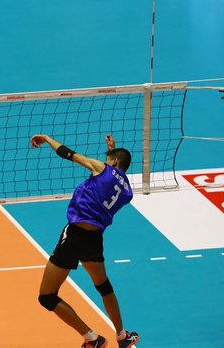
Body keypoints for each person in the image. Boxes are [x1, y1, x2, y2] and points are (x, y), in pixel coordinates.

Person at [29, 133, 140, 348]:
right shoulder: (127, 192)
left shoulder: (101, 168)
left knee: (47, 296)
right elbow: (111, 178)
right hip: (94, 239)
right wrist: (112, 150)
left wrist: (47, 139)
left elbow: (67, 153)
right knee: (103, 286)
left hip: (74, 236)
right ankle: (122, 336)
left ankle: (92, 338)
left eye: (109, 158)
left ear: (114, 162)